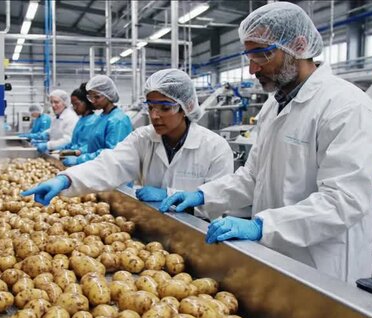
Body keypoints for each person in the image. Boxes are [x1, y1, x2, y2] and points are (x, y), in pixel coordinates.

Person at [159, 2, 372, 284]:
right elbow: (253, 176)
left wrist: (261, 225)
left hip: (324, 266)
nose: (253, 68)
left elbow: (343, 201)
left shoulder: (347, 107)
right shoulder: (272, 106)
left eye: (262, 55)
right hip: (275, 256)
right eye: (248, 56)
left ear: (299, 46)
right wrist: (202, 196)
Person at [21, 69, 234, 219]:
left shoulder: (215, 147)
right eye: (150, 107)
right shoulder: (143, 138)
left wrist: (170, 196)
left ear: (185, 107)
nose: (155, 116)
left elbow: (219, 202)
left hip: (201, 240)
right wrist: (65, 179)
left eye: (164, 108)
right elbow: (109, 164)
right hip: (153, 228)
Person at [62, 75, 133, 166]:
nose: (93, 101)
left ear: (108, 95)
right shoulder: (101, 117)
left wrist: (81, 159)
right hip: (99, 168)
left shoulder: (118, 120)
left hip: (113, 175)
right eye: (91, 97)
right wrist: (78, 152)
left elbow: (112, 154)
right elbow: (93, 145)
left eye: (97, 97)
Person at [56, 83, 99, 158]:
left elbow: (89, 147)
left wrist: (73, 152)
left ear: (86, 102)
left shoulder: (92, 121)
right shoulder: (81, 120)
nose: (74, 108)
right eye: (73, 105)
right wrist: (66, 147)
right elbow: (75, 142)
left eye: (77, 104)